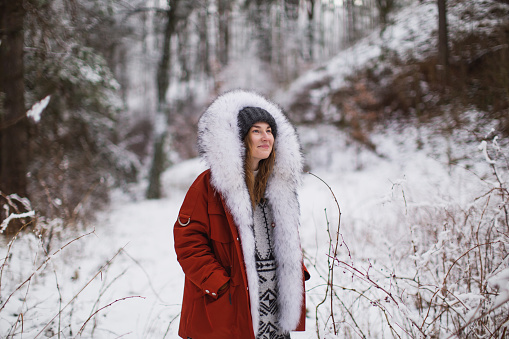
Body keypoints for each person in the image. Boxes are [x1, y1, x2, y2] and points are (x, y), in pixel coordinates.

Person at [173, 90, 309, 339]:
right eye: (256, 131)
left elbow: (284, 239)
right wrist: (219, 284)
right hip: (229, 308)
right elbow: (188, 242)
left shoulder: (277, 186)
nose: (265, 136)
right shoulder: (209, 185)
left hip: (273, 311)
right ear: (240, 138)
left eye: (269, 130)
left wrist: (295, 270)